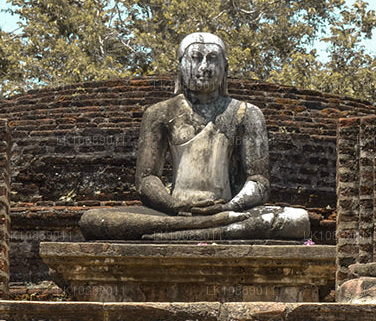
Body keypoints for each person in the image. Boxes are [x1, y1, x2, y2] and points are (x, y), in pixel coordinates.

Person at [78, 32, 309, 241]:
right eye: (196, 58)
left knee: (296, 220)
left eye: (212, 59)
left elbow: (259, 181)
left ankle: (199, 229)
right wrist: (175, 205)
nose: (205, 67)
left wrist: (229, 206)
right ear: (181, 66)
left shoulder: (247, 114)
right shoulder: (159, 113)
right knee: (94, 220)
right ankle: (208, 229)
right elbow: (147, 179)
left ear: (225, 67)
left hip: (227, 210)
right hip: (175, 213)